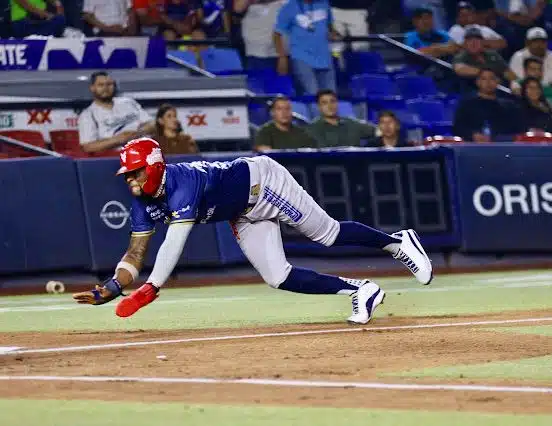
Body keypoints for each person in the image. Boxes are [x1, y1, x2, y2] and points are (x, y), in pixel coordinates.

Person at [72, 138, 433, 324]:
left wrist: (150, 290)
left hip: (264, 184)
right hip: (241, 212)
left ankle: (397, 242)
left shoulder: (181, 185)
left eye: (135, 173)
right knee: (277, 276)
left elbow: (174, 243)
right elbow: (136, 252)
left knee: (327, 234)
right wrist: (115, 285)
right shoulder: (141, 198)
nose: (131, 181)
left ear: (153, 167)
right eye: (128, 175)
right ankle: (361, 289)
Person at [274, 0, 341, 95]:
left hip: (325, 57)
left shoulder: (324, 3)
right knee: (313, 95)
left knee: (331, 96)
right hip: (302, 58)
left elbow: (330, 27)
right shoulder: (289, 7)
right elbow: (277, 34)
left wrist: (334, 34)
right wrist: (282, 57)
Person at [78, 71, 155, 153]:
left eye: (109, 84)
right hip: (117, 156)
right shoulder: (88, 115)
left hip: (147, 150)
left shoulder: (128, 102)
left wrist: (137, 133)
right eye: (101, 85)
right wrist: (118, 139)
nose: (106, 88)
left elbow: (152, 124)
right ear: (92, 88)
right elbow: (88, 147)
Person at [453, 67, 525, 141]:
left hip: (504, 148)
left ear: (498, 81)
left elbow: (519, 130)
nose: (488, 82)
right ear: (478, 82)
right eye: (484, 79)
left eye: (492, 78)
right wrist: (472, 135)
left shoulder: (510, 106)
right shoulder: (467, 105)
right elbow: (458, 128)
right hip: (474, 148)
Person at [452, 26, 517, 91]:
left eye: (477, 40)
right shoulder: (461, 56)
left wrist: (519, 83)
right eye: (470, 40)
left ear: (483, 42)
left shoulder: (492, 54)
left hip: (498, 89)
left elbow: (506, 71)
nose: (473, 43)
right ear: (465, 43)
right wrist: (487, 74)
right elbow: (459, 69)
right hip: (472, 90)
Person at [509, 27, 552, 96]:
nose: (539, 45)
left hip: (550, 96)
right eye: (535, 41)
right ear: (527, 43)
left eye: (542, 41)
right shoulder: (518, 57)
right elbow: (515, 85)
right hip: (527, 97)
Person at [307, 89, 376, 148]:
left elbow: (379, 131)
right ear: (319, 106)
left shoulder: (352, 123)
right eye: (324, 103)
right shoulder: (312, 129)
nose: (330, 106)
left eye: (333, 101)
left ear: (337, 103)